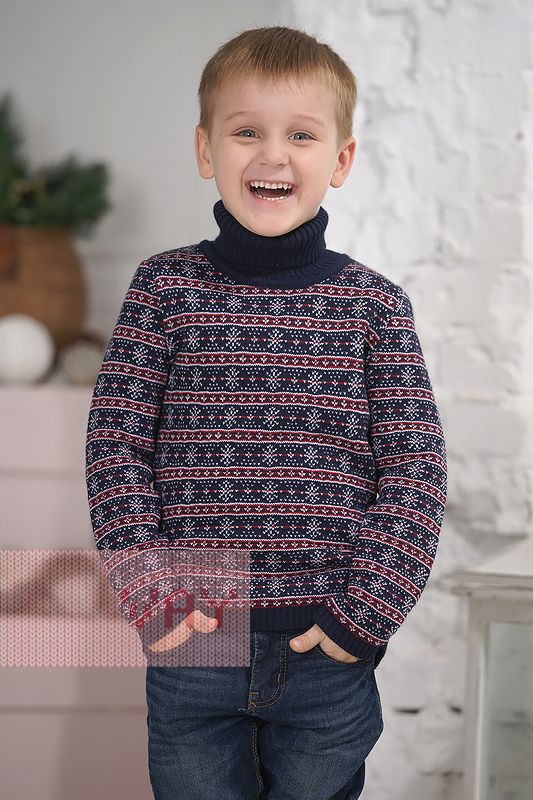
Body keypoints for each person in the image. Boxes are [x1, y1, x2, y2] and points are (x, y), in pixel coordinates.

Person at [85, 25, 447, 800]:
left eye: (301, 135)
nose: (272, 155)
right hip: (194, 640)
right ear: (205, 150)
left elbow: (415, 473)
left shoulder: (374, 306)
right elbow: (116, 448)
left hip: (328, 644)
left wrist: (363, 614)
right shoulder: (162, 289)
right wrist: (152, 595)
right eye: (245, 131)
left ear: (340, 160)